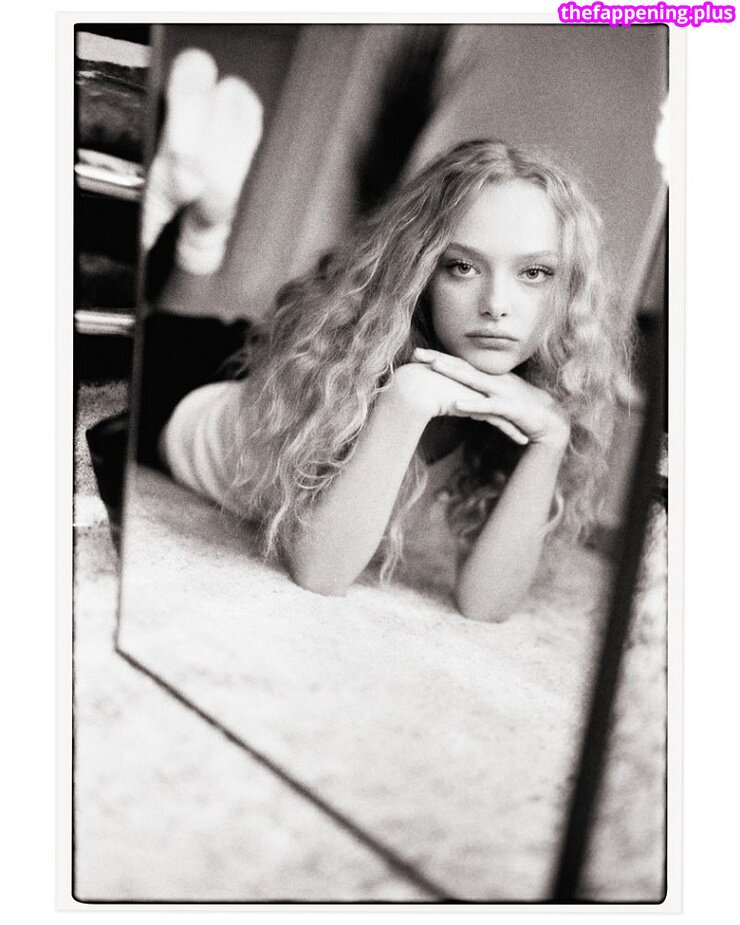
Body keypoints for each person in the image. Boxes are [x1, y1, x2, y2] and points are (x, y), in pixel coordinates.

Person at [135, 51, 631, 622]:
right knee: (115, 339)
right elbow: (321, 574)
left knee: (190, 319)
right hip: (186, 395)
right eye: (462, 267)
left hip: (260, 360)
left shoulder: (528, 395)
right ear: (421, 274)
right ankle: (184, 215)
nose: (497, 304)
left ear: (568, 288)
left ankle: (203, 218)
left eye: (534, 273)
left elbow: (487, 605)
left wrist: (550, 437)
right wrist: (407, 399)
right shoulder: (350, 368)